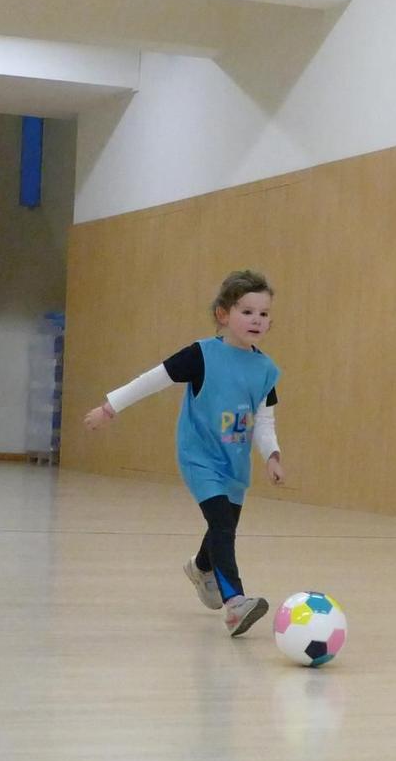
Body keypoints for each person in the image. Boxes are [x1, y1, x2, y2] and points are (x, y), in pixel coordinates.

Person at [82, 269, 285, 637]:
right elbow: (152, 379)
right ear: (224, 314)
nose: (256, 319)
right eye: (247, 311)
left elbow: (264, 420)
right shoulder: (202, 355)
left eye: (264, 313)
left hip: (235, 464)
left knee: (223, 526)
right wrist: (110, 408)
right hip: (199, 457)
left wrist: (272, 454)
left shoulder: (266, 370)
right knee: (222, 524)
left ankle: (201, 568)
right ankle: (235, 604)